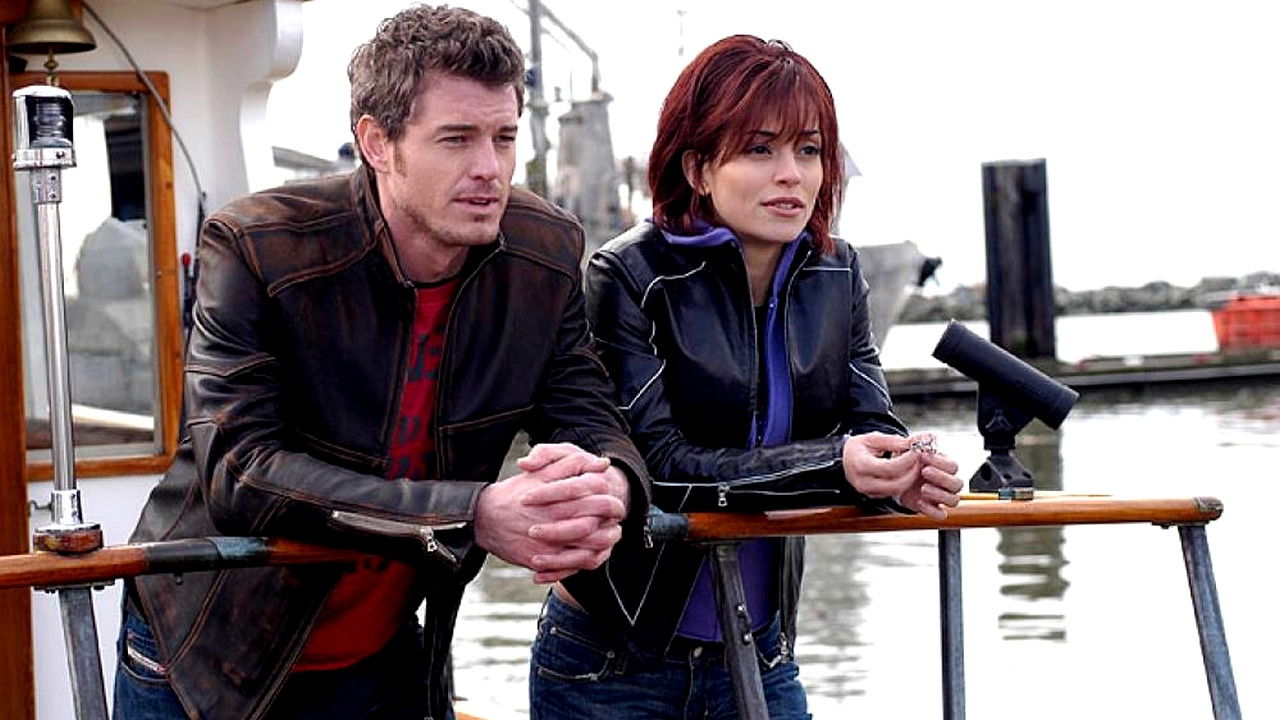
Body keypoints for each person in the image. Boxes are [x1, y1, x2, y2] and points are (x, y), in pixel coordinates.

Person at [112, 6, 648, 720]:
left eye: (503, 137)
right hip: (210, 652)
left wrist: (608, 485)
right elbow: (240, 470)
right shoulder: (258, 245)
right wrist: (473, 515)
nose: (489, 169)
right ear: (377, 142)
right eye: (456, 139)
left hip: (384, 650)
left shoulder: (543, 254)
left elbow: (589, 415)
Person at [528, 35, 963, 719]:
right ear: (698, 167)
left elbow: (870, 423)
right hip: (614, 662)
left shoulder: (837, 272)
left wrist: (903, 470)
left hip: (760, 651)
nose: (791, 174)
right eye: (760, 150)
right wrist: (838, 464)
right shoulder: (630, 275)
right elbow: (659, 466)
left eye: (809, 150)